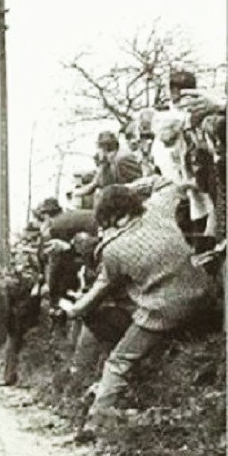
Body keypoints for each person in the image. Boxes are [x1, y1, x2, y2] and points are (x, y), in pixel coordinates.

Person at [66, 182, 216, 441]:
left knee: (118, 361)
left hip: (162, 313)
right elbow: (175, 185)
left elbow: (95, 295)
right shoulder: (157, 209)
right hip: (204, 295)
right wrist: (196, 190)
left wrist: (72, 308)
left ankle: (96, 422)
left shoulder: (111, 250)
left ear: (110, 218)